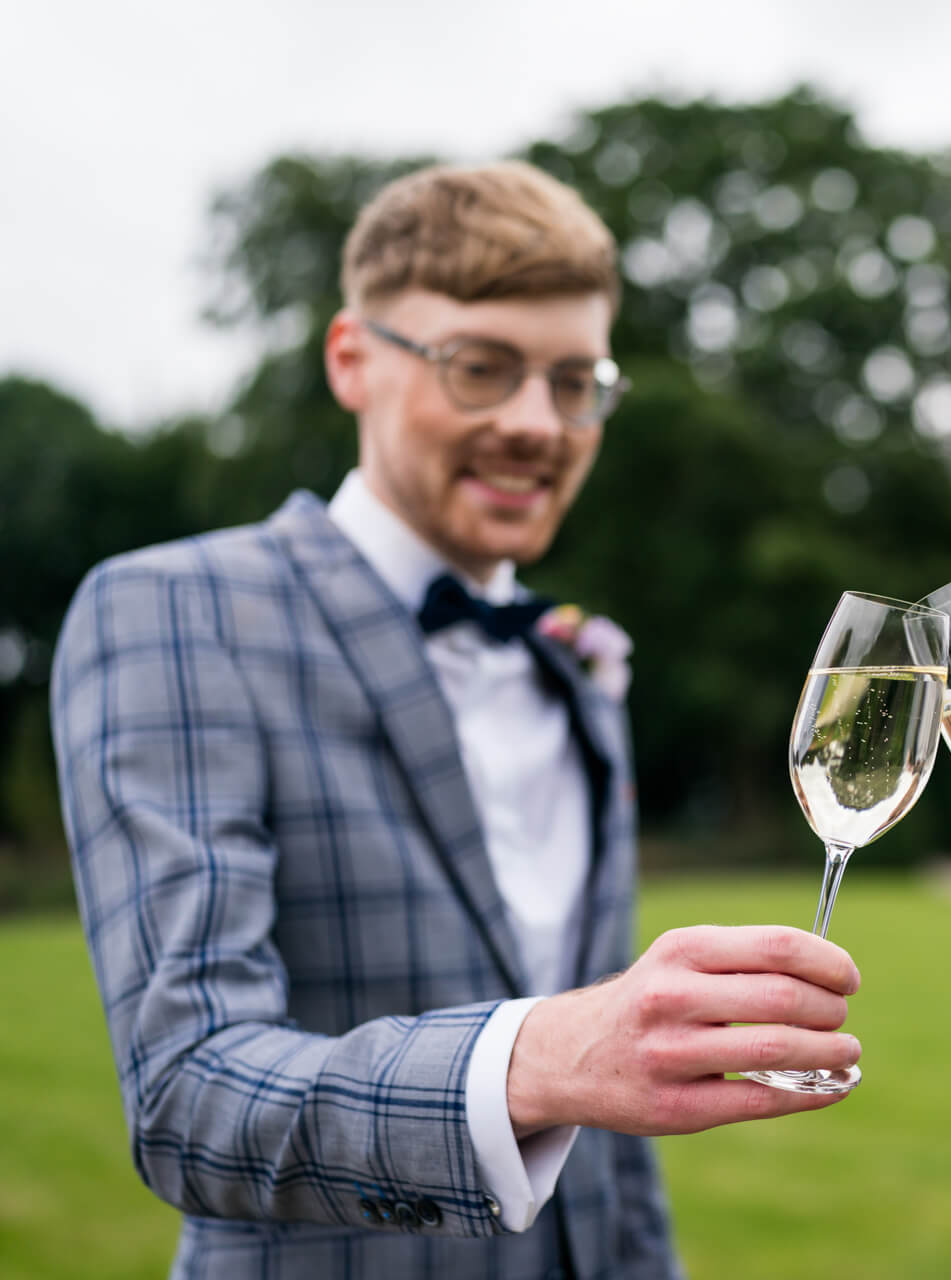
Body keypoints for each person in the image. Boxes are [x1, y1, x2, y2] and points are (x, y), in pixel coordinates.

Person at [50, 161, 863, 1279]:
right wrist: (545, 1055)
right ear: (352, 359)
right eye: (482, 368)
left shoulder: (576, 665)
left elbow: (612, 1158)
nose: (539, 422)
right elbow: (190, 1093)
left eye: (576, 381)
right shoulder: (176, 610)